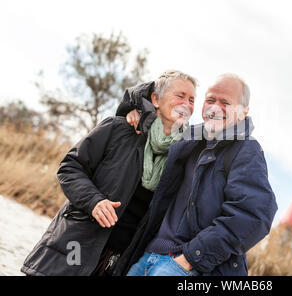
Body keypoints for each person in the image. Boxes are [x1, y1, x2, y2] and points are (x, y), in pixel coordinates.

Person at [21, 70, 197, 276]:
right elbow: (70, 167)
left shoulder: (183, 156)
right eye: (180, 95)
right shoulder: (118, 128)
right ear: (156, 99)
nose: (187, 104)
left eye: (192, 99)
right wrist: (94, 201)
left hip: (119, 261)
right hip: (77, 243)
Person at [123, 73, 278, 276]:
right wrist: (134, 109)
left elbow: (254, 216)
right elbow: (161, 101)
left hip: (186, 266)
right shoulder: (189, 138)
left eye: (225, 102)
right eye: (210, 100)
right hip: (148, 256)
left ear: (243, 112)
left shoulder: (247, 150)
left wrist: (189, 259)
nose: (215, 108)